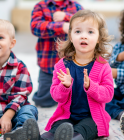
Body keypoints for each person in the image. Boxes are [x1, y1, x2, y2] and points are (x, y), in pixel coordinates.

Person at [22, 10, 114, 140]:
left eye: (90, 32)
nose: (83, 36)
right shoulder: (62, 65)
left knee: (85, 129)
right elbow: (55, 96)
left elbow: (109, 94)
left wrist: (91, 87)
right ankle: (38, 138)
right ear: (70, 36)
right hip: (67, 115)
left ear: (99, 38)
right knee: (58, 127)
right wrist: (64, 86)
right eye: (78, 31)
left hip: (92, 118)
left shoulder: (103, 66)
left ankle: (71, 138)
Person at [31, 0, 83, 107]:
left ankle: (67, 99)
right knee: (43, 101)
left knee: (78, 98)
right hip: (48, 65)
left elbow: (86, 23)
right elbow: (35, 27)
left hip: (73, 64)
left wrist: (67, 17)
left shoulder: (76, 6)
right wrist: (61, 26)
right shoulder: (40, 6)